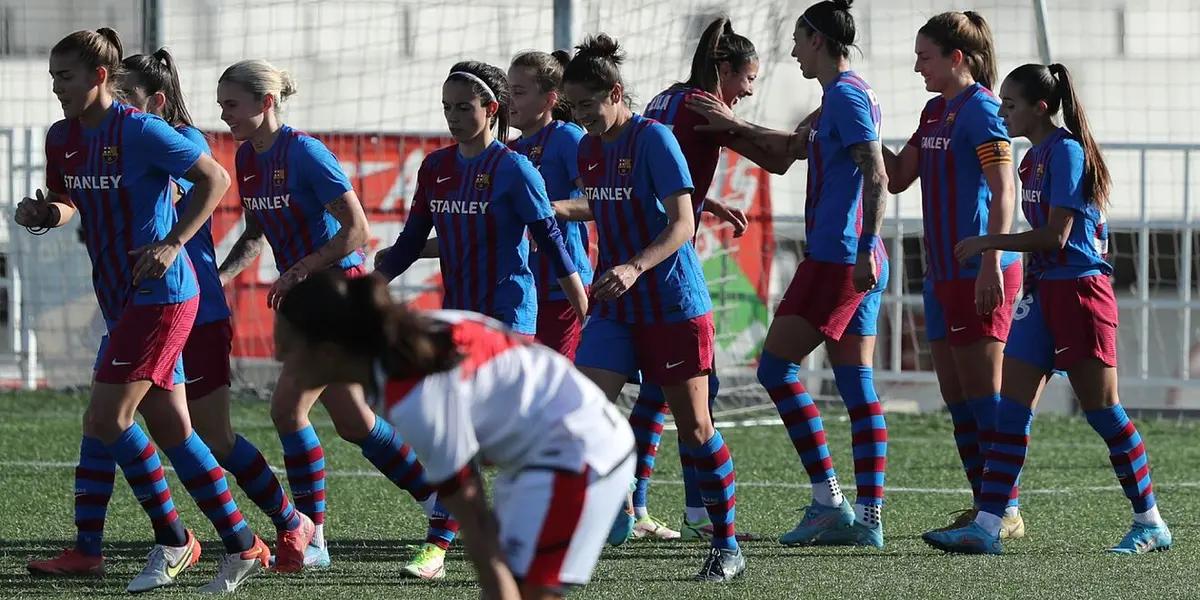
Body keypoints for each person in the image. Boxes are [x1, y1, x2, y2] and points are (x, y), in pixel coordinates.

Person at [27, 46, 315, 579]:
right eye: (53, 76)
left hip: (175, 302)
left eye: (65, 76)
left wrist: (172, 243)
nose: (56, 86)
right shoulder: (68, 136)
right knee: (165, 428)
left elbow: (207, 182)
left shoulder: (157, 135)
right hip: (124, 298)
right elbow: (75, 199)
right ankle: (240, 539)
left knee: (125, 421)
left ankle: (195, 536)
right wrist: (48, 211)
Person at [215, 59, 458, 579]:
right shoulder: (247, 157)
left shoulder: (305, 153)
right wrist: (221, 276)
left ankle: (314, 537)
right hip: (307, 301)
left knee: (287, 410)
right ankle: (437, 500)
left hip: (340, 297)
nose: (224, 114)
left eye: (231, 104)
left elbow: (358, 231)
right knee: (353, 422)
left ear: (266, 102)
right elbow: (256, 233)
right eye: (221, 105)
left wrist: (300, 269)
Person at [925, 63, 1172, 555]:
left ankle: (1150, 521)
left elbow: (1057, 237)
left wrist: (990, 242)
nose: (1002, 113)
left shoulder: (1068, 152)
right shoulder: (1030, 160)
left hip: (1080, 294)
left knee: (1103, 412)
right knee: (1011, 411)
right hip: (1042, 295)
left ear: (1040, 108)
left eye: (1010, 104)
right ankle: (988, 525)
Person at [274, 271, 635, 600]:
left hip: (578, 455)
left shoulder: (415, 394)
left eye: (288, 349)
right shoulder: (413, 340)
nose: (278, 357)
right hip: (554, 452)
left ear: (329, 352)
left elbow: (472, 516)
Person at [689, 0, 891, 548]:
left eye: (798, 41)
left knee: (776, 368)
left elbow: (877, 175)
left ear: (818, 40)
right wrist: (736, 125)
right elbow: (791, 151)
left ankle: (829, 502)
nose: (794, 51)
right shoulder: (843, 95)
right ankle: (868, 519)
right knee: (856, 383)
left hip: (840, 257)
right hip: (852, 255)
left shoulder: (845, 96)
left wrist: (864, 248)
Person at [556, 34, 743, 582]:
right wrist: (554, 207)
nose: (582, 116)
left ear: (616, 93)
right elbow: (607, 202)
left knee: (697, 428)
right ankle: (609, 507)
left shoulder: (655, 137)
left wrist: (634, 267)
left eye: (589, 104)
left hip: (671, 303)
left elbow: (682, 223)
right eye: (574, 107)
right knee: (580, 416)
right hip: (616, 308)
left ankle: (727, 545)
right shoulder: (589, 150)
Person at [881, 11, 1025, 538]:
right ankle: (985, 504)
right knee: (958, 397)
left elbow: (1004, 190)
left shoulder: (983, 109)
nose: (917, 66)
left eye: (925, 57)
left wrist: (989, 261)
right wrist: (859, 134)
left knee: (985, 396)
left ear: (956, 57)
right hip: (941, 273)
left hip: (980, 271)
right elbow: (898, 177)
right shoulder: (933, 111)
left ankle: (1004, 511)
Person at [375, 60, 588, 337]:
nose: (453, 117)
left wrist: (586, 316)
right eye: (447, 107)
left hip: (507, 316)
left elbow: (552, 244)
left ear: (491, 109)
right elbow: (412, 239)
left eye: (464, 108)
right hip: (457, 314)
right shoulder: (435, 167)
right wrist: (370, 286)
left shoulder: (515, 169)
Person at [507, 50, 593, 359]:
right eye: (507, 91)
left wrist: (547, 211)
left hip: (563, 289)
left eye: (518, 92)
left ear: (549, 99)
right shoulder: (509, 150)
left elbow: (599, 202)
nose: (509, 100)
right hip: (520, 289)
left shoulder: (567, 137)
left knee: (551, 380)